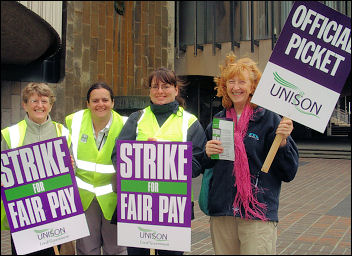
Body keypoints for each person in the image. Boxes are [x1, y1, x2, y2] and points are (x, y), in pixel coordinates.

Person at [203, 53, 299, 255]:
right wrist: (206, 153)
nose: (236, 87)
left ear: (253, 87)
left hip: (257, 214)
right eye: (231, 81)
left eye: (242, 82)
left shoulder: (270, 119)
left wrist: (282, 143)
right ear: (224, 86)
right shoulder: (219, 120)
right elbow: (202, 164)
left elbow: (289, 172)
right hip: (223, 213)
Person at [110, 67, 207, 255]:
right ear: (149, 90)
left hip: (173, 206)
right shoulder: (136, 119)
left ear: (176, 90)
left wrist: (165, 154)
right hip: (139, 204)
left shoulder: (189, 122)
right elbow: (118, 157)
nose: (160, 91)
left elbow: (197, 165)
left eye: (165, 86)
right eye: (155, 86)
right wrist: (143, 157)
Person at [1, 82, 72, 255]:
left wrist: (70, 166)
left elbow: (73, 171)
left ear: (51, 105)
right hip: (24, 211)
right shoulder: (11, 133)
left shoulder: (63, 132)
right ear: (24, 104)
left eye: (44, 101)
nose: (39, 106)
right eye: (34, 101)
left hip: (55, 210)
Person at [65, 82, 127, 255]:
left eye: (105, 100)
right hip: (84, 199)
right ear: (88, 103)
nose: (101, 104)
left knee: (115, 249)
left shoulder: (126, 125)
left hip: (114, 198)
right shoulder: (73, 122)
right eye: (95, 100)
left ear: (113, 103)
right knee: (86, 249)